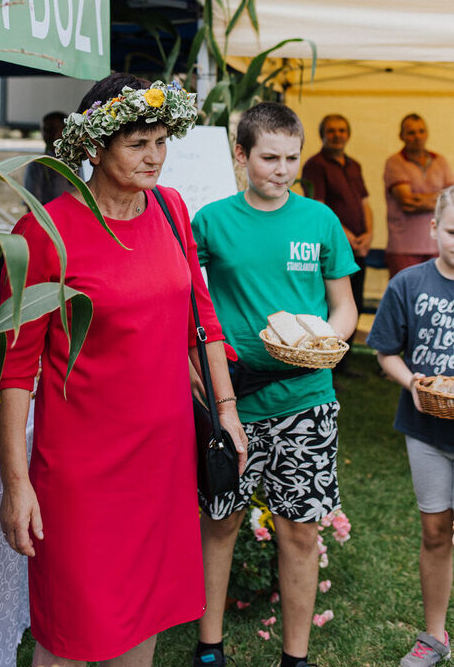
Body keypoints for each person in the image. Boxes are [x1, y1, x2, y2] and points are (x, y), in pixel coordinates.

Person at [0, 73, 247, 667]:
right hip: (81, 476)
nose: (154, 156)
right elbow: (14, 372)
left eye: (161, 140)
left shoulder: (171, 207)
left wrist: (228, 413)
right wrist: (16, 484)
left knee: (145, 622)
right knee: (71, 635)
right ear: (94, 148)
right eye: (137, 143)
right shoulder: (43, 232)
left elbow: (201, 323)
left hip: (162, 464)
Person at [191, 102, 358, 667]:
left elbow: (343, 307)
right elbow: (190, 302)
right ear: (241, 156)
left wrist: (324, 342)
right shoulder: (211, 221)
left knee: (300, 531)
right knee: (220, 521)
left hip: (306, 401)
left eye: (291, 158)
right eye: (268, 158)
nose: (281, 169)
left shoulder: (321, 222)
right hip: (233, 398)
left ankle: (296, 656)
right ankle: (208, 645)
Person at [366, 186, 454, 667]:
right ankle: (435, 637)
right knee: (436, 531)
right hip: (428, 433)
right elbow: (385, 351)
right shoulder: (408, 284)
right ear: (434, 229)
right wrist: (413, 384)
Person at [302, 114, 373, 358]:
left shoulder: (354, 165)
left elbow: (365, 203)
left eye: (342, 130)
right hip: (334, 248)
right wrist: (349, 237)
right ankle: (329, 362)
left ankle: (344, 361)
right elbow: (319, 207)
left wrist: (369, 234)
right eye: (331, 130)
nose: (337, 135)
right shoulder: (315, 165)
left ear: (348, 134)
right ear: (322, 134)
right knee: (335, 305)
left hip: (358, 248)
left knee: (356, 304)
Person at [384, 114, 454, 279]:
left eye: (421, 131)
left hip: (436, 246)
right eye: (411, 132)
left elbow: (451, 200)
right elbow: (407, 202)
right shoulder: (394, 162)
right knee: (405, 299)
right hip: (403, 247)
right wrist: (440, 197)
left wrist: (420, 198)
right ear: (401, 136)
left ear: (427, 133)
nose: (417, 137)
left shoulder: (441, 161)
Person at [23, 110, 71, 204]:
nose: (50, 135)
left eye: (54, 129)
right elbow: (32, 205)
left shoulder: (82, 160)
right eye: (46, 130)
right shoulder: (38, 165)